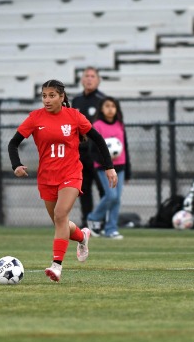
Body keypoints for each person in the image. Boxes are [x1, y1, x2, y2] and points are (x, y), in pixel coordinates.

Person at [8, 79, 117, 283]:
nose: (47, 100)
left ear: (61, 97)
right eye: (44, 96)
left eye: (51, 96)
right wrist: (16, 165)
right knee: (61, 222)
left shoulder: (74, 116)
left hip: (71, 174)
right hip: (47, 178)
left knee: (60, 215)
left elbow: (98, 139)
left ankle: (56, 266)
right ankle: (82, 236)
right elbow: (13, 143)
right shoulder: (35, 118)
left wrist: (109, 167)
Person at [87, 96, 132, 239]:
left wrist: (128, 171)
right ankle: (93, 218)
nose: (110, 109)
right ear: (101, 109)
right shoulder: (97, 125)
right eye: (107, 106)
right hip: (104, 168)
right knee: (111, 196)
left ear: (117, 109)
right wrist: (105, 163)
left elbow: (125, 148)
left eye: (113, 106)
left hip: (120, 167)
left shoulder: (120, 125)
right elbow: (92, 150)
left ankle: (111, 229)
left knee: (117, 199)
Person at [71, 67, 106, 232]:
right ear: (82, 80)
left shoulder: (102, 100)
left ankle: (102, 222)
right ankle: (86, 222)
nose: (89, 79)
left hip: (97, 153)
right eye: (87, 76)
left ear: (98, 80)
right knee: (83, 189)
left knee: (103, 188)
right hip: (80, 153)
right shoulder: (76, 101)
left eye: (93, 76)